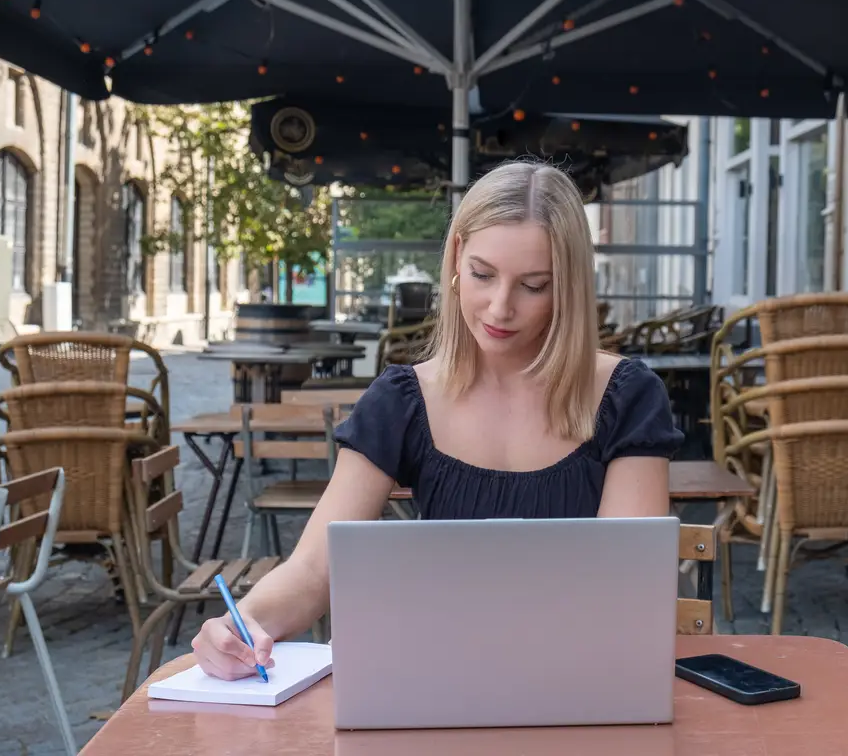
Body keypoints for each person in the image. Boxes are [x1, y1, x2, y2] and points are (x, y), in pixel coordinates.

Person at [192, 160, 685, 680]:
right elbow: (315, 569)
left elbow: (628, 589)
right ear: (455, 258)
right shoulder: (402, 400)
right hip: (441, 684)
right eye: (482, 274)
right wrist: (242, 624)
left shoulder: (626, 396)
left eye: (534, 285)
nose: (499, 308)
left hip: (582, 682)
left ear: (569, 288)